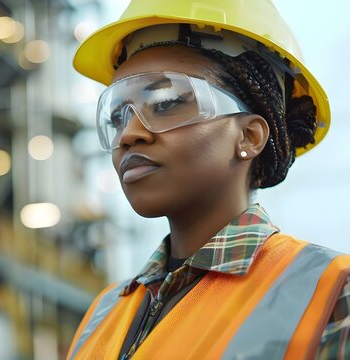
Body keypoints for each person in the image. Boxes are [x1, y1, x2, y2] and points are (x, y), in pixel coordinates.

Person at [67, 0, 350, 359]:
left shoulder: (331, 292)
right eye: (117, 116)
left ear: (248, 136)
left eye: (167, 102)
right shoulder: (102, 314)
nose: (128, 134)